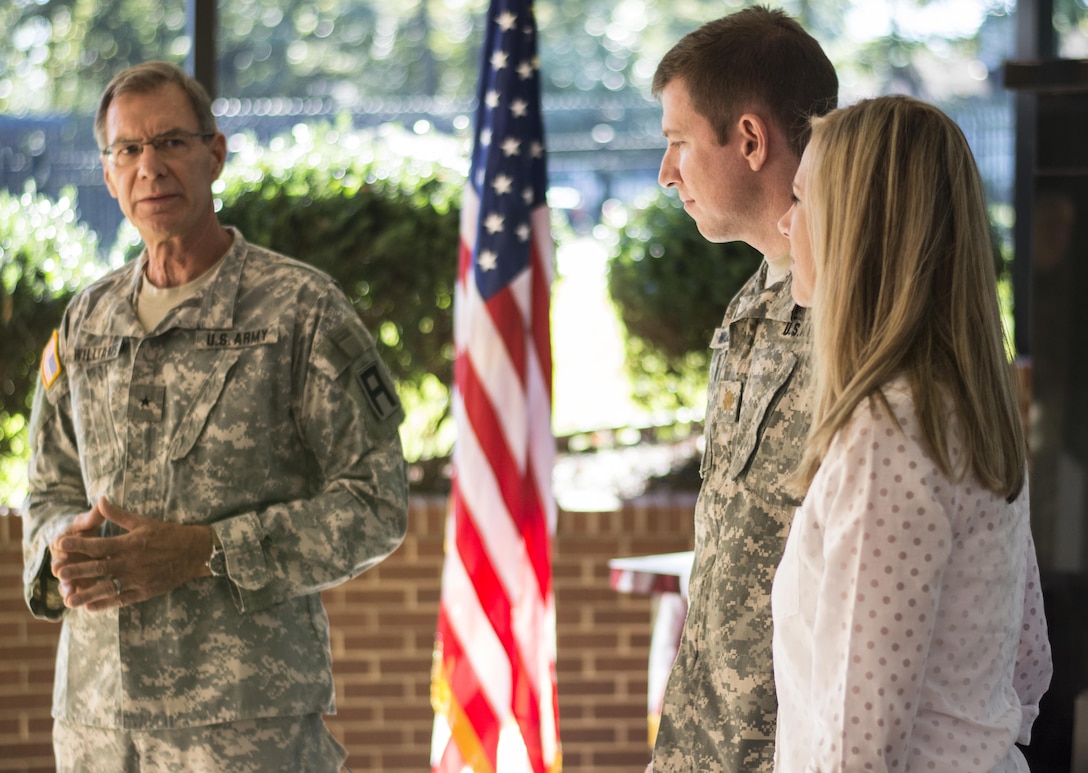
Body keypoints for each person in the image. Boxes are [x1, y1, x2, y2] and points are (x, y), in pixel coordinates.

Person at [21, 61, 409, 772]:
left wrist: (207, 549)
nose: (150, 167)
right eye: (128, 150)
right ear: (108, 176)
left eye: (170, 141)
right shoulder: (86, 319)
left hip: (244, 727)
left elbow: (376, 505)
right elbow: (47, 488)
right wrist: (58, 546)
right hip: (96, 723)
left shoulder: (302, 310)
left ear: (215, 154)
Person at [773, 94, 1052, 770]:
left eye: (804, 199)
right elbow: (1028, 664)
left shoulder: (886, 434)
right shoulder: (958, 410)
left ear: (859, 228)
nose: (786, 223)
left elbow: (856, 749)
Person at [648, 7, 838, 772]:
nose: (667, 174)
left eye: (678, 143)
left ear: (751, 139)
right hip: (709, 739)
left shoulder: (859, 315)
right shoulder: (752, 305)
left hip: (801, 743)